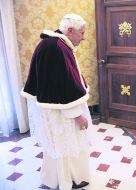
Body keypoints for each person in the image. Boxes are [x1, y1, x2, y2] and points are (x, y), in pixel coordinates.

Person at [21, 13, 92, 190]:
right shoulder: (55, 48)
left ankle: (57, 178)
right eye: (82, 33)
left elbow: (64, 81)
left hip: (57, 109)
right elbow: (61, 89)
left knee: (59, 146)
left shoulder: (55, 44)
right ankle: (66, 180)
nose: (83, 38)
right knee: (64, 145)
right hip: (61, 113)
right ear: (69, 31)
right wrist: (77, 115)